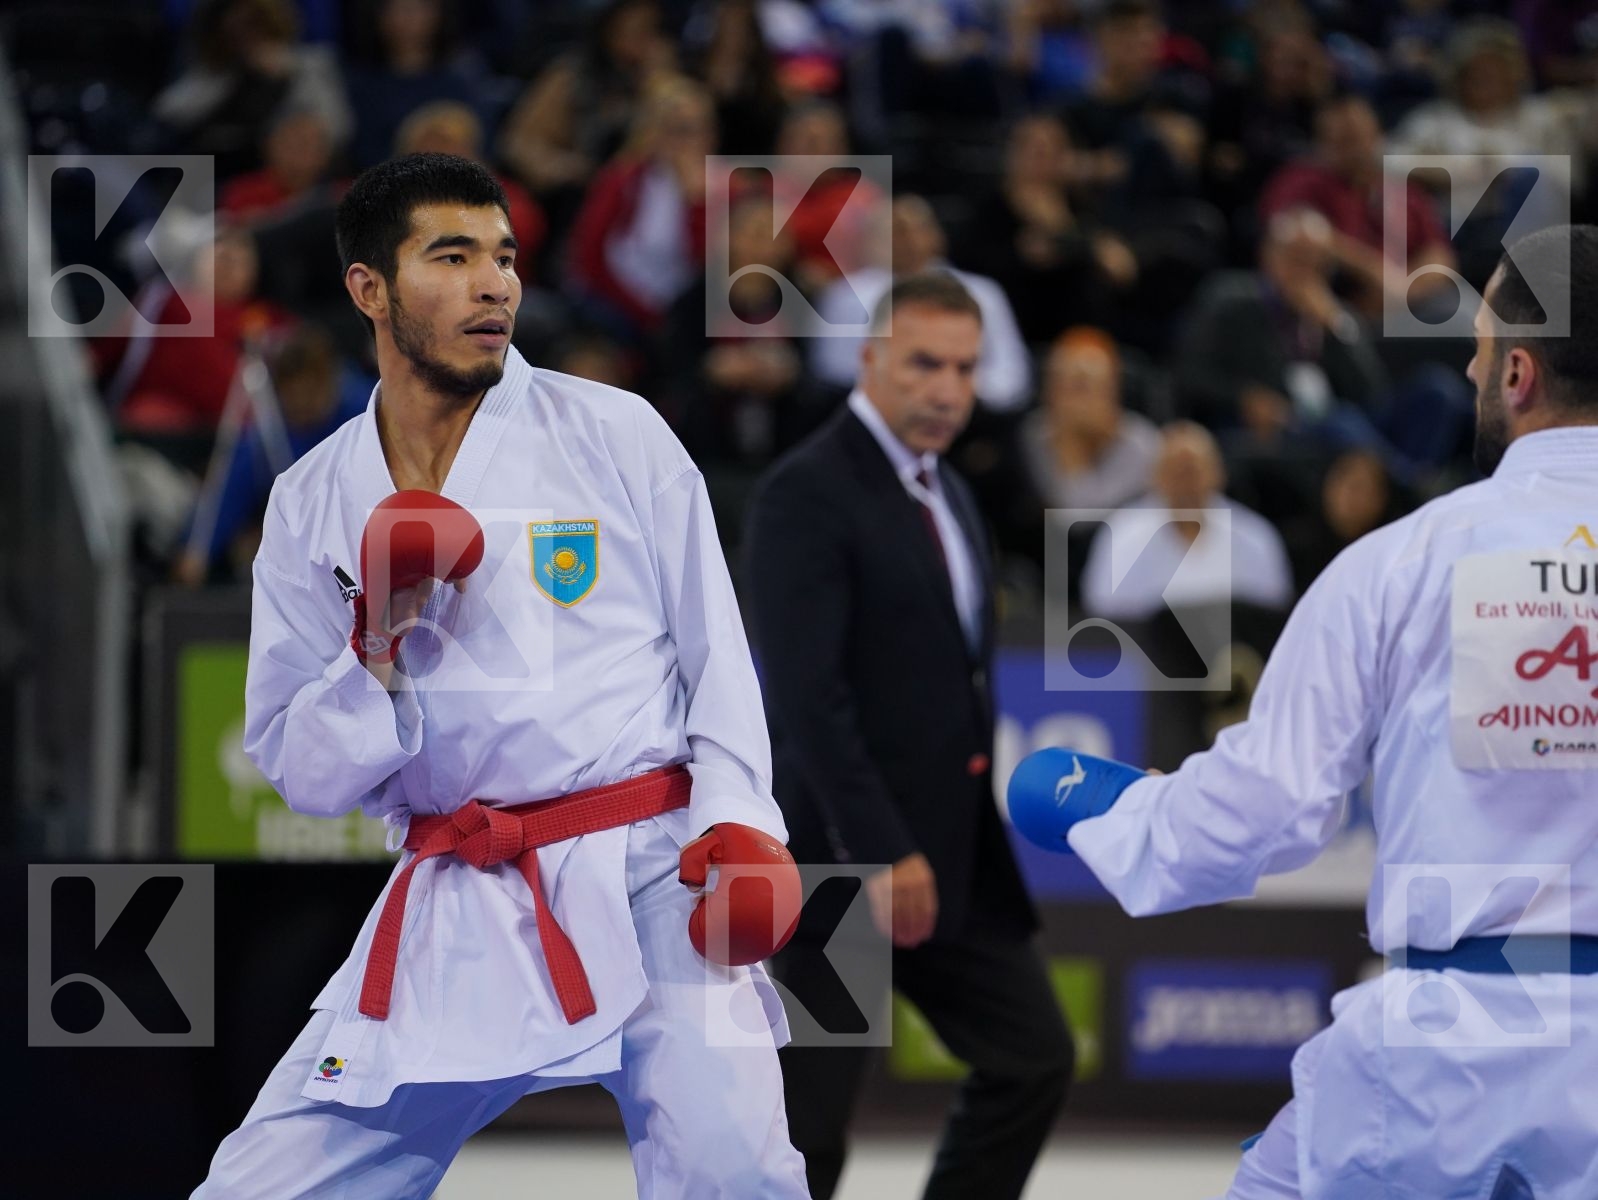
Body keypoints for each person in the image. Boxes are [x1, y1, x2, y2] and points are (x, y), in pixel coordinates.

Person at [191, 153, 808, 1199]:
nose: (497, 284)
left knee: (732, 1172)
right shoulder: (310, 501)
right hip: (458, 886)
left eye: (506, 256)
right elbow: (299, 769)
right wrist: (371, 653)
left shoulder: (613, 434)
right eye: (453, 255)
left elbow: (717, 648)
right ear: (368, 289)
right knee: (267, 1186)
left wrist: (743, 819)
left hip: (651, 869)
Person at [1007, 224, 1598, 1198]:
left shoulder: (1401, 563)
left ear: (1519, 375)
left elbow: (1260, 812)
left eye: (1483, 345)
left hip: (1434, 1063)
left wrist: (1103, 804)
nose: (1468, 360)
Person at [744, 272, 1074, 1200]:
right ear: (871, 358)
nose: (946, 390)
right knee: (807, 1134)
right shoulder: (804, 493)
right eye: (925, 363)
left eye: (965, 369)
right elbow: (809, 701)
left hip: (951, 861)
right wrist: (883, 851)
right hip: (843, 873)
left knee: (1034, 1058)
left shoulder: (951, 493)